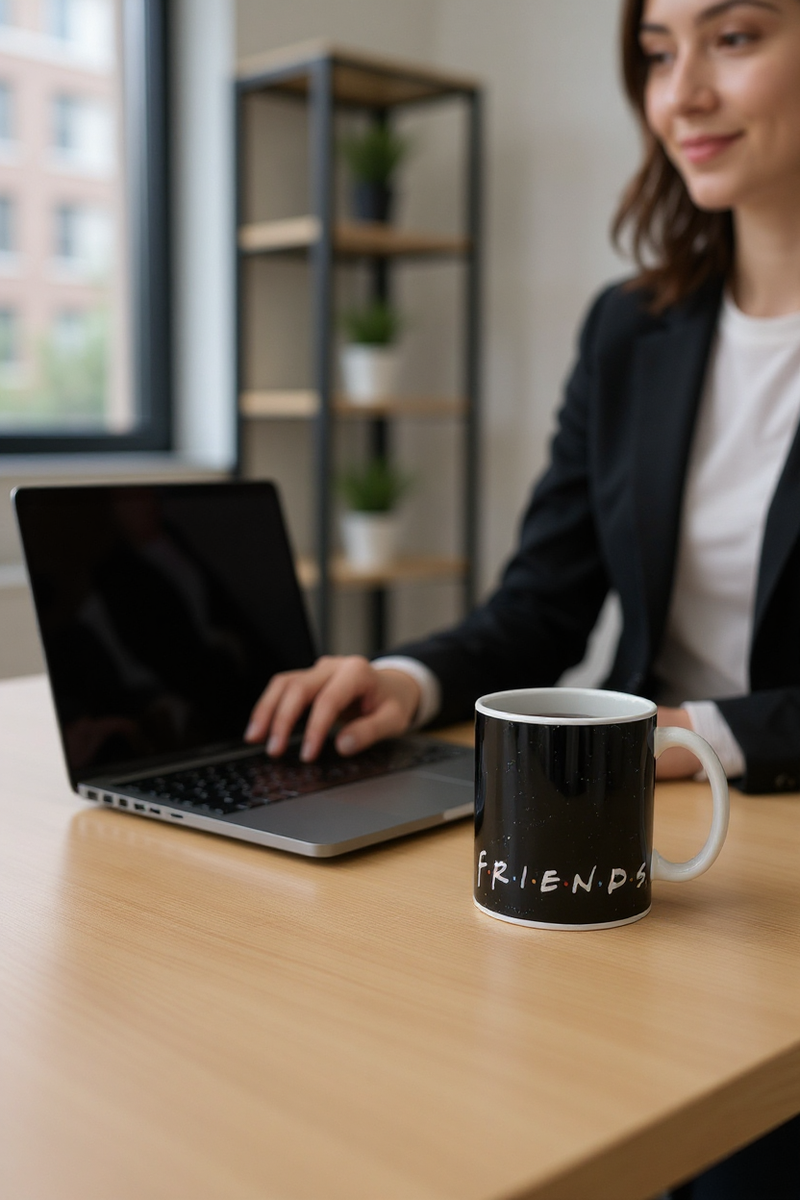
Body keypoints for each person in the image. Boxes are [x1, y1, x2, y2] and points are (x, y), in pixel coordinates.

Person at [248, 0, 800, 1192]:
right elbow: (540, 604)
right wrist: (402, 678)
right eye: (655, 54)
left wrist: (692, 736)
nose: (680, 95)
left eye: (735, 37)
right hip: (629, 841)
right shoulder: (628, 330)